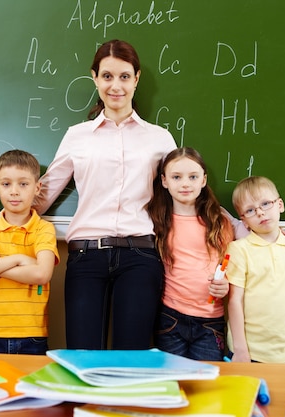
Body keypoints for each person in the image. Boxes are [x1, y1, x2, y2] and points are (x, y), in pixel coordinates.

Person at [33, 39, 177, 350]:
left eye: (125, 76)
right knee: (82, 354)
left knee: (133, 356)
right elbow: (43, 193)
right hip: (87, 256)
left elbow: (186, 191)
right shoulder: (77, 136)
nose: (116, 86)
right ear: (95, 78)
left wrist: (235, 225)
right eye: (107, 76)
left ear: (137, 79)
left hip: (140, 255)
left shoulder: (159, 138)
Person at [0, 149, 59, 354]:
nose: (14, 191)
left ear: (37, 187)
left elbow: (42, 274)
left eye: (23, 184)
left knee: (28, 387)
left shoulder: (43, 229)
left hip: (31, 333)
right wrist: (20, 259)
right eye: (6, 184)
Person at [146, 147, 234, 361]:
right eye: (177, 177)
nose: (185, 184)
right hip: (170, 316)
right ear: (164, 181)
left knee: (204, 384)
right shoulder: (155, 220)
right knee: (172, 382)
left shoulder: (219, 220)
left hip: (210, 320)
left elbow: (230, 263)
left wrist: (226, 284)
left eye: (193, 177)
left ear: (203, 180)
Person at [226, 176, 285, 365]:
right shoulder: (239, 250)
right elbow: (234, 302)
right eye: (250, 210)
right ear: (244, 221)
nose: (260, 213)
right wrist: (240, 350)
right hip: (250, 353)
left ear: (280, 205)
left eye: (265, 204)